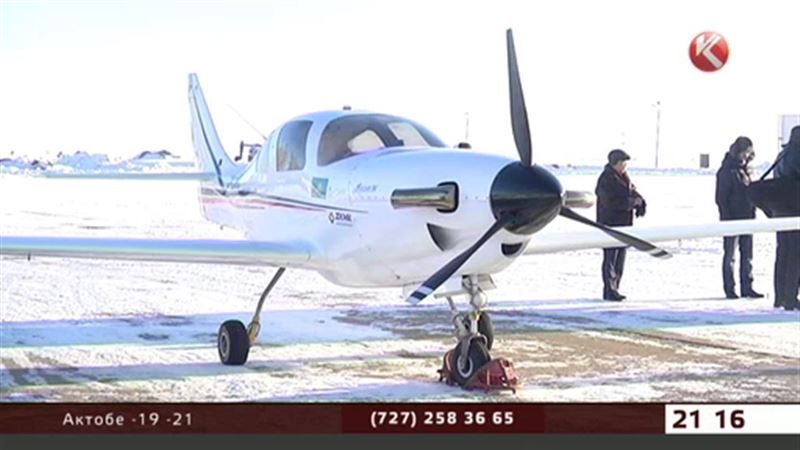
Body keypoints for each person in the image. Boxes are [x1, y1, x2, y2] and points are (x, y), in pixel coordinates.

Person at [714, 136, 763, 299]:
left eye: (748, 153)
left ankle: (747, 286)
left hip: (747, 219)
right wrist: (727, 221)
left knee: (747, 254)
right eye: (744, 152)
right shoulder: (727, 171)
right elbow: (721, 198)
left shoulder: (746, 170)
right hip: (732, 220)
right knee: (730, 255)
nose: (746, 156)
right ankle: (730, 288)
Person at [595, 149, 646, 301]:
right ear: (615, 164)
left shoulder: (624, 178)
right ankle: (609, 290)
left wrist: (641, 202)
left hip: (623, 226)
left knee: (620, 259)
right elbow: (611, 203)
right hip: (610, 225)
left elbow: (633, 193)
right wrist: (632, 203)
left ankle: (615, 287)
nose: (625, 166)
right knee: (610, 258)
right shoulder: (606, 179)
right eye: (623, 163)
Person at [772, 126, 800, 310]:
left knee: (782, 254)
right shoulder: (797, 155)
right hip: (794, 210)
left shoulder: (782, 154)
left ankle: (780, 296)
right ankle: (791, 297)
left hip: (780, 211)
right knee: (795, 255)